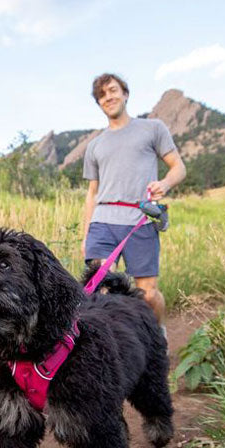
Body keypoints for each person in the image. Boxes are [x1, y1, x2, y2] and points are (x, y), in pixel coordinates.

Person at [81, 72, 186, 335]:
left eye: (113, 90)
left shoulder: (153, 128)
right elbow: (92, 192)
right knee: (102, 289)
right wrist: (86, 234)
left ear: (125, 93)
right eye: (102, 95)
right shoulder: (94, 146)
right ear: (99, 103)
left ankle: (157, 331)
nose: (109, 97)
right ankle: (115, 347)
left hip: (138, 221)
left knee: (147, 295)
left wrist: (164, 184)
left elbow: (178, 168)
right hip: (102, 221)